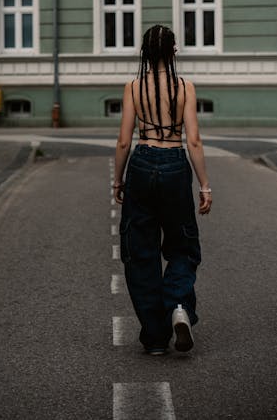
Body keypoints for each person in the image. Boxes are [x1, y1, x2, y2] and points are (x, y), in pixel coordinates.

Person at [113, 24, 212, 356]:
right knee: (182, 245)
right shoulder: (184, 87)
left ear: (144, 53)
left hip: (141, 162)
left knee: (140, 252)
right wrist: (205, 186)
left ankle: (155, 338)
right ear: (173, 52)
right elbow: (194, 140)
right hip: (174, 162)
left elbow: (124, 139)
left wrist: (118, 179)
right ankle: (179, 305)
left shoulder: (133, 87)